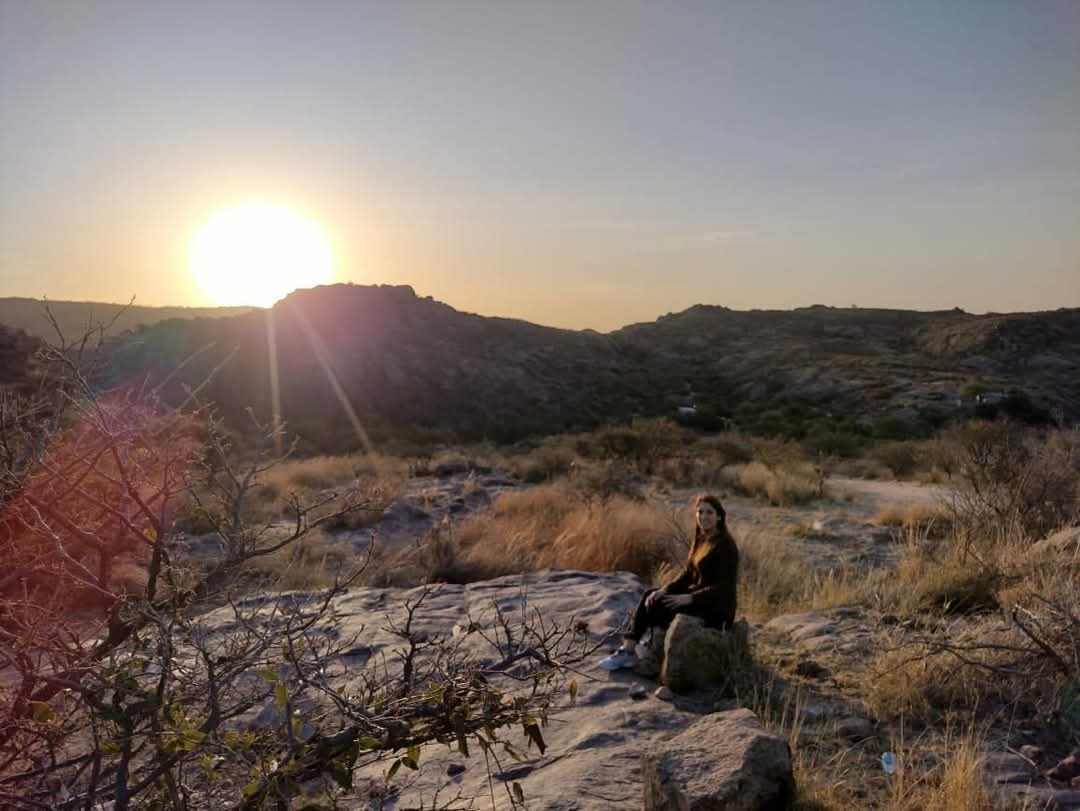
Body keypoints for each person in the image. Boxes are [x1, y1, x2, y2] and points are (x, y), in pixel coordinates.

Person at [599, 493, 739, 671]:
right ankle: (630, 649)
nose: (704, 516)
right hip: (697, 599)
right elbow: (688, 574)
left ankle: (632, 650)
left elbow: (724, 587)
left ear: (719, 516)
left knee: (658, 607)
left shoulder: (726, 546)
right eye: (700, 512)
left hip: (717, 608)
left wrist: (690, 598)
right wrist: (665, 589)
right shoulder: (701, 539)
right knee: (651, 595)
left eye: (709, 512)